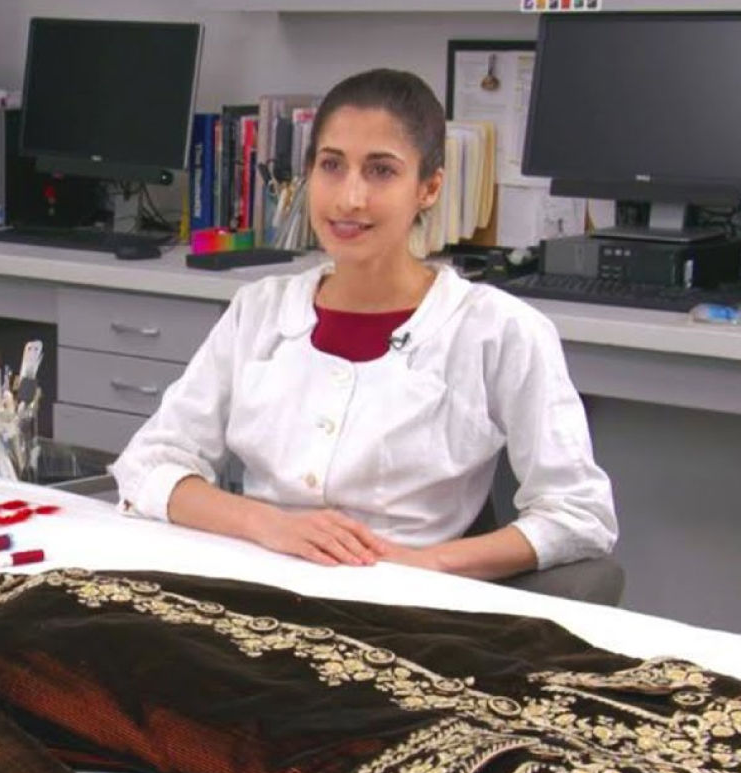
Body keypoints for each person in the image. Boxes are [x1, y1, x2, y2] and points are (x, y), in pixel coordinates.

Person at [110, 69, 617, 580]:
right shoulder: (258, 310)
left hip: (404, 607)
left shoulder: (498, 329)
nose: (350, 198)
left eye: (381, 171)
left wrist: (427, 563)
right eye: (332, 165)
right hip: (256, 581)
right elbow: (148, 465)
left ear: (428, 187)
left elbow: (578, 515)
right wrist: (269, 525)